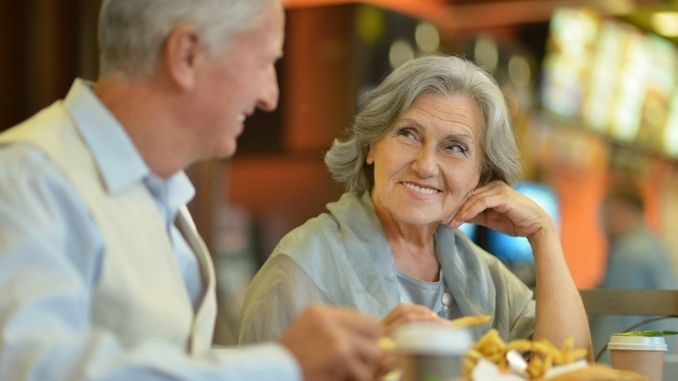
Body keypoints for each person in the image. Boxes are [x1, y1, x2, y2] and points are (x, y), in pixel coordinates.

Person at [0, 1, 383, 380]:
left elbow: (166, 358)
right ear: (186, 56)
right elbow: (32, 369)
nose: (270, 96)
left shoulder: (161, 193)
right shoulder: (26, 179)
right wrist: (284, 365)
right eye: (265, 62)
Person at [239, 55, 592, 355]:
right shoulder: (302, 265)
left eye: (455, 147)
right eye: (408, 134)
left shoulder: (485, 276)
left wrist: (543, 234)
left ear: (483, 177)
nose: (425, 165)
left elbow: (569, 369)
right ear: (372, 146)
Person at [591, 181, 678, 360]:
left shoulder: (629, 255)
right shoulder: (653, 246)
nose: (602, 224)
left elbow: (616, 332)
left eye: (605, 214)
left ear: (617, 210)